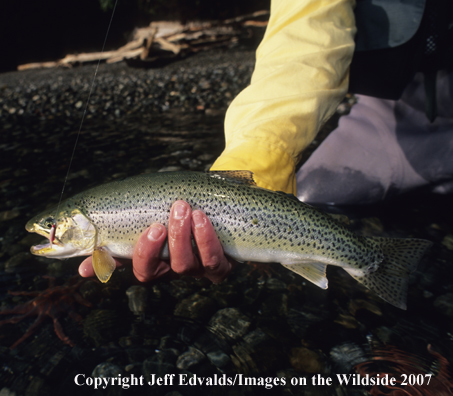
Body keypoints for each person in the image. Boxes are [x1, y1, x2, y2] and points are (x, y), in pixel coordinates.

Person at [79, 0, 453, 283]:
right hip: (401, 107)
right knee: (310, 197)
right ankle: (369, 259)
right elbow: (304, 35)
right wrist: (259, 162)